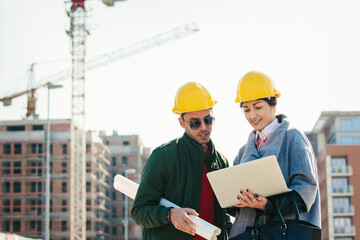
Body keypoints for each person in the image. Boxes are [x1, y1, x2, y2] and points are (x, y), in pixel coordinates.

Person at [131, 82, 232, 240]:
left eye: (208, 120)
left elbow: (224, 215)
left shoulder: (220, 161)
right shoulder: (163, 157)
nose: (204, 127)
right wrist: (170, 215)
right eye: (195, 123)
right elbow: (139, 212)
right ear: (181, 122)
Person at [229, 71, 321, 238]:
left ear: (273, 104)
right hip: (246, 234)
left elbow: (306, 191)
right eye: (246, 109)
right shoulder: (243, 151)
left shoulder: (293, 137)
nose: (252, 115)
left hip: (283, 233)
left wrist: (269, 205)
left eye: (258, 107)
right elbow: (233, 203)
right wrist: (233, 202)